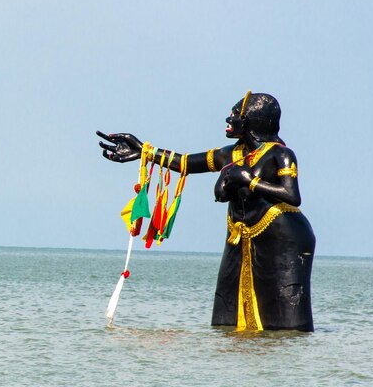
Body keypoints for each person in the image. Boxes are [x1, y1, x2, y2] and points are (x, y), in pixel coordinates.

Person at [97, 92, 315, 332]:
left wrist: (248, 180)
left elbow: (292, 196)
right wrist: (144, 151)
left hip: (284, 237)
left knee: (286, 315)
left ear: (251, 120)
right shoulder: (229, 154)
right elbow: (186, 163)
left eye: (234, 114)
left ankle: (286, 354)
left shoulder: (281, 154)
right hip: (239, 235)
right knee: (226, 315)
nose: (228, 118)